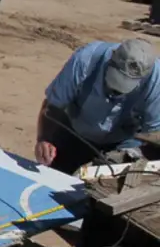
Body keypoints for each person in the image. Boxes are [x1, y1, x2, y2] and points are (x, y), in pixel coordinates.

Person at [35, 38, 160, 174]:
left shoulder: (156, 83)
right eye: (113, 84)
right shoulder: (85, 60)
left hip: (122, 144)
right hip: (75, 134)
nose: (115, 93)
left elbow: (154, 135)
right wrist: (44, 139)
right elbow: (53, 105)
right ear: (111, 59)